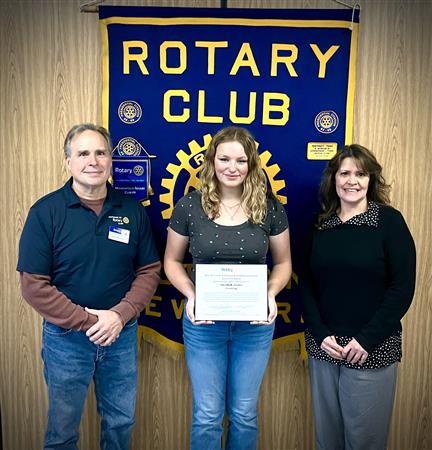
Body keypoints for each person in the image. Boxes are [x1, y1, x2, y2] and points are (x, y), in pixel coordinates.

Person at [17, 123, 161, 450]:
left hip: (120, 335)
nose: (93, 161)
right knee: (62, 431)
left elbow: (149, 270)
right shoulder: (45, 212)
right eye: (83, 153)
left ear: (110, 160)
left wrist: (119, 316)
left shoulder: (131, 210)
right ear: (68, 161)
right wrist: (90, 321)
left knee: (121, 423)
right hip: (66, 339)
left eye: (100, 153)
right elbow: (33, 285)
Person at [164, 126, 292, 450]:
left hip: (255, 324)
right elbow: (171, 261)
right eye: (224, 159)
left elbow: (283, 263)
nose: (232, 167)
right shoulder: (190, 206)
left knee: (244, 413)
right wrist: (191, 294)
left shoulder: (269, 207)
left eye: (240, 160)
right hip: (204, 324)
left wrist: (270, 293)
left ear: (252, 164)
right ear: (211, 161)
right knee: (207, 414)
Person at [300, 144, 416, 450]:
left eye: (360, 174)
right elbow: (306, 284)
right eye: (345, 173)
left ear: (371, 180)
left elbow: (402, 287)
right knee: (328, 440)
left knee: (365, 441)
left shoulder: (389, 222)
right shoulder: (320, 225)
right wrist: (320, 334)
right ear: (334, 179)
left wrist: (366, 340)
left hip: (371, 349)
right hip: (325, 347)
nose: (352, 181)